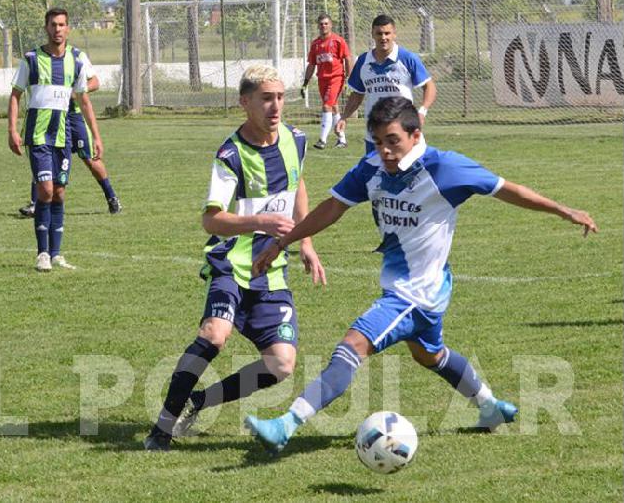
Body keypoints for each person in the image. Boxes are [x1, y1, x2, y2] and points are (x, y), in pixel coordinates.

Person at [244, 97, 598, 454]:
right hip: (429, 291)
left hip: (413, 294)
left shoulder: (445, 168)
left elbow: (506, 189)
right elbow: (334, 206)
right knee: (430, 356)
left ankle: (286, 424)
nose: (385, 150)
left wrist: (562, 210)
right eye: (379, 141)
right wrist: (284, 241)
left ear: (416, 134)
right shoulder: (372, 167)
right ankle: (490, 407)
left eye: (393, 140)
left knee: (350, 347)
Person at [144, 64, 327, 451]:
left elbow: (298, 187)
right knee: (214, 335)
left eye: (279, 97)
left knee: (281, 365)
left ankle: (197, 403)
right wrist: (258, 221)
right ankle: (161, 428)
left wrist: (305, 240)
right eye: (266, 98)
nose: (275, 106)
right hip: (231, 264)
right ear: (245, 103)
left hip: (272, 270)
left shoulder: (296, 140)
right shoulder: (231, 154)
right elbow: (211, 220)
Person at [8, 8, 104, 271]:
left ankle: (57, 253)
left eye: (62, 25)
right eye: (53, 25)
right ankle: (42, 254)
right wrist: (12, 131)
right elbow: (15, 95)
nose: (58, 29)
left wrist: (96, 136)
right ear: (46, 28)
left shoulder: (76, 61)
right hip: (38, 135)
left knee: (60, 192)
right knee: (46, 190)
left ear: (68, 28)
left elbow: (84, 101)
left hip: (64, 135)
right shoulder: (31, 59)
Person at [18, 50, 122, 217]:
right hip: (47, 117)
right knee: (42, 155)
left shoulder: (76, 56)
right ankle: (35, 203)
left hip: (73, 116)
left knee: (89, 158)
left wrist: (77, 92)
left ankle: (111, 196)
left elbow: (95, 82)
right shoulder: (38, 58)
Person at [335, 14, 437, 155]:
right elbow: (357, 94)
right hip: (375, 136)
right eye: (379, 33)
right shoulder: (363, 61)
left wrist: (422, 111)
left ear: (394, 34)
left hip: (404, 132)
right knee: (374, 176)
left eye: (387, 33)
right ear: (372, 34)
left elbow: (429, 86)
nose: (383, 38)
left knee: (415, 175)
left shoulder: (407, 58)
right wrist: (344, 117)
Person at [301, 14, 354, 150]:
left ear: (331, 25)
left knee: (326, 106)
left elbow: (347, 59)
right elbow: (311, 65)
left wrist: (350, 79)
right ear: (318, 26)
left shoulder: (338, 41)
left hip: (336, 78)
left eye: (326, 23)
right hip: (322, 79)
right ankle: (342, 139)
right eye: (321, 24)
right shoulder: (315, 44)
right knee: (333, 107)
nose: (323, 26)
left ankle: (322, 140)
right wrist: (305, 83)